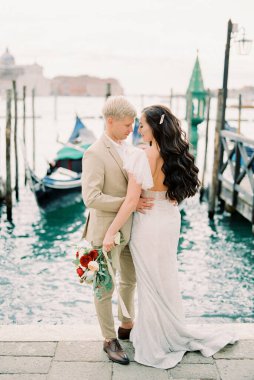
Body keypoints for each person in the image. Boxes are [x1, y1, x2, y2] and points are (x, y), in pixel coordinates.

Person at [102, 104, 238, 369]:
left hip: (149, 222)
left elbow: (131, 202)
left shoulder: (143, 156)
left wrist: (110, 231)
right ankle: (168, 330)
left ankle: (156, 339)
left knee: (149, 281)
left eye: (141, 124)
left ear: (155, 126)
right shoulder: (174, 154)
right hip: (169, 219)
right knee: (164, 276)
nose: (138, 129)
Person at [81, 96, 154, 365]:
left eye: (134, 123)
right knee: (104, 286)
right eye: (127, 124)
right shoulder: (94, 153)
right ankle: (109, 339)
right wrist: (130, 204)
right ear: (109, 121)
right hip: (105, 232)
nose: (131, 128)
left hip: (132, 230)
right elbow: (91, 197)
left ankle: (126, 325)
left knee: (130, 280)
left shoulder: (130, 149)